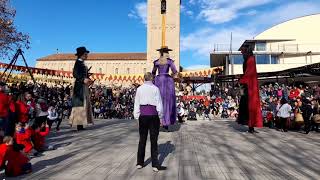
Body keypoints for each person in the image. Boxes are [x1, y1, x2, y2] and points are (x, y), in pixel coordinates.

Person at [133, 72, 165, 172]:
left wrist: (137, 117)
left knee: (142, 139)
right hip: (153, 115)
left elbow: (136, 103)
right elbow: (159, 103)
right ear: (152, 79)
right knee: (154, 140)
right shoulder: (155, 88)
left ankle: (140, 163)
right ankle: (155, 164)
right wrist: (161, 116)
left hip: (143, 115)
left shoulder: (139, 89)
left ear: (144, 78)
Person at [237, 45, 263, 133]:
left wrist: (241, 79)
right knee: (247, 106)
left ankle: (251, 127)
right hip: (247, 85)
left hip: (249, 85)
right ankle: (250, 127)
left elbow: (249, 73)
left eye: (243, 52)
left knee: (250, 106)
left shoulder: (251, 59)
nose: (242, 54)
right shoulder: (248, 59)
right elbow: (247, 73)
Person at [152, 46, 178, 131]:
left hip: (158, 80)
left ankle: (158, 121)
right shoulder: (169, 61)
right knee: (168, 101)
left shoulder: (156, 62)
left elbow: (153, 73)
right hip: (167, 81)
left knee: (158, 100)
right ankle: (166, 121)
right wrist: (174, 77)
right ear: (167, 52)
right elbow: (175, 71)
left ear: (160, 53)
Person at [69, 47, 94, 131]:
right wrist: (83, 79)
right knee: (80, 104)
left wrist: (88, 79)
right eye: (85, 54)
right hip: (79, 87)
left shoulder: (82, 63)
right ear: (82, 55)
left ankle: (81, 124)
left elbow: (84, 75)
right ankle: (79, 125)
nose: (87, 55)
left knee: (84, 104)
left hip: (84, 86)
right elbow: (75, 74)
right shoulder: (78, 63)